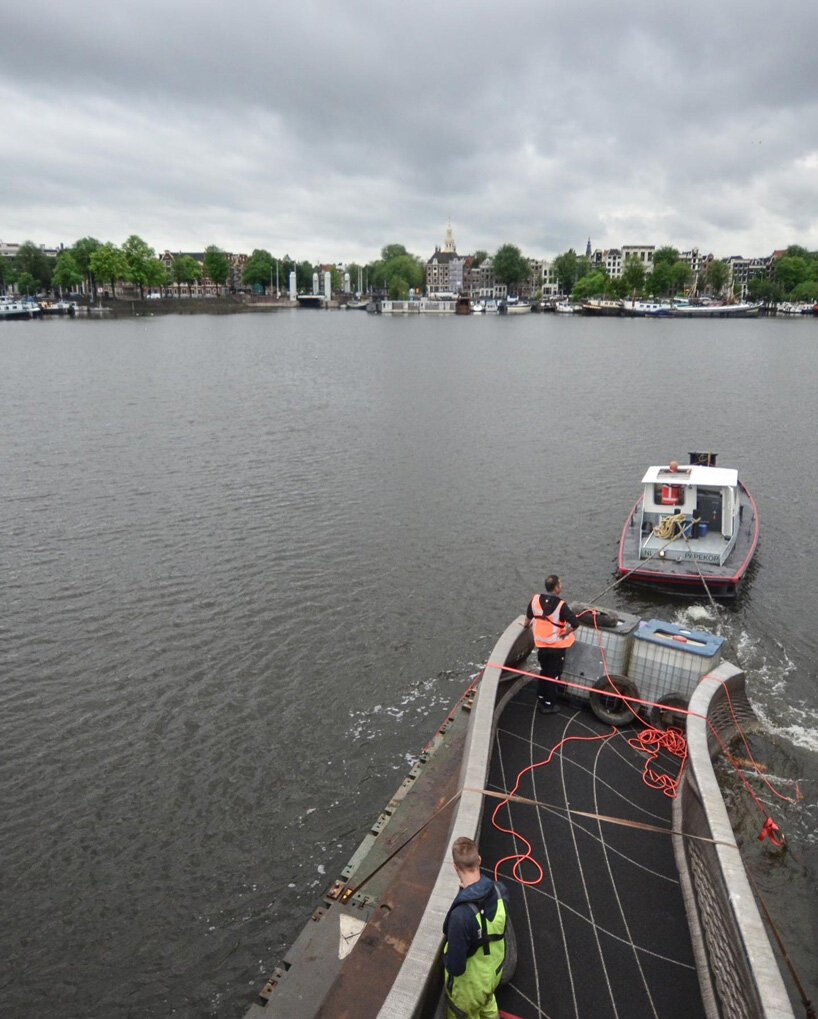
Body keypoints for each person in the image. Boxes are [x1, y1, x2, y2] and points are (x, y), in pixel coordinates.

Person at [443, 836, 508, 1019]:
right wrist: (470, 891)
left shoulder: (460, 916)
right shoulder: (500, 891)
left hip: (469, 989)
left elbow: (456, 967)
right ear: (478, 860)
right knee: (488, 1005)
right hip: (492, 973)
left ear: (455, 866)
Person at [524, 574, 578, 713]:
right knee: (553, 676)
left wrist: (525, 626)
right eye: (560, 584)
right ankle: (549, 705)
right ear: (557, 587)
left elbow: (528, 618)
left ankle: (541, 696)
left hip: (541, 645)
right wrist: (566, 632)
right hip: (556, 647)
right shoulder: (561, 605)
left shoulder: (535, 599)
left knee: (544, 670)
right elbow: (575, 623)